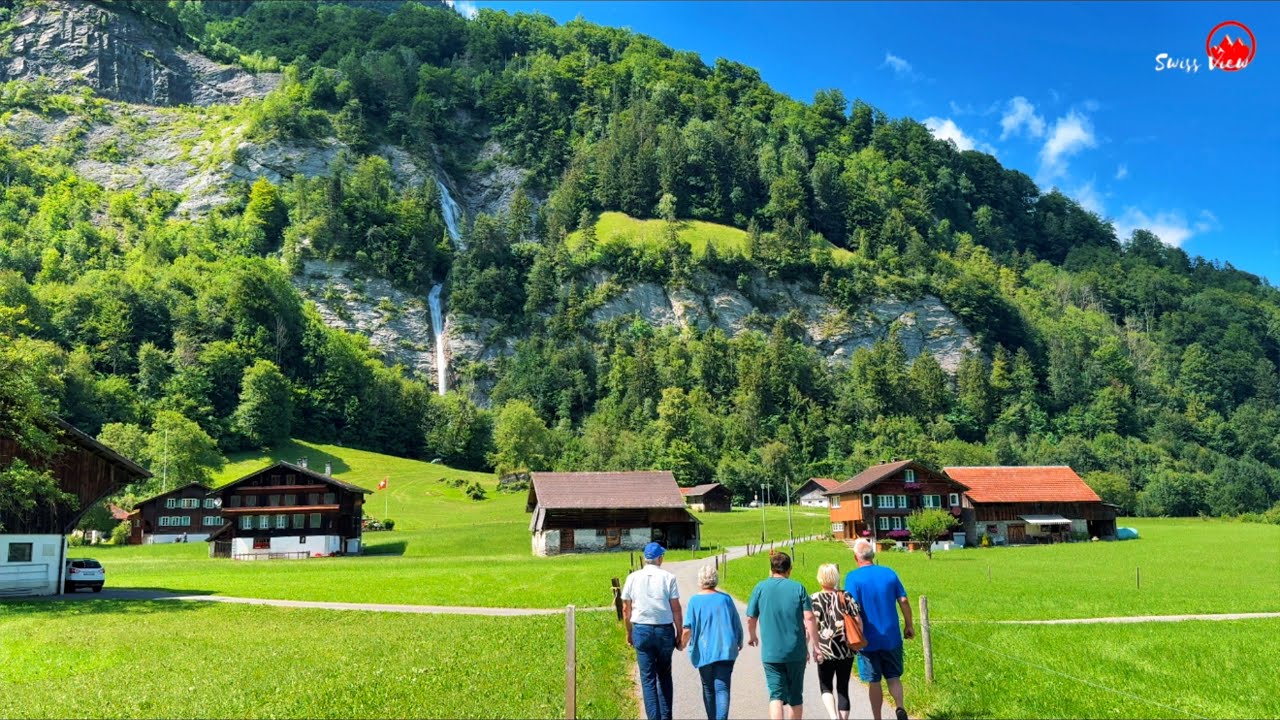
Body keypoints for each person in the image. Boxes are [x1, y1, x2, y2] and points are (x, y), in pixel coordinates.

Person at [746, 551, 820, 720]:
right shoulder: (798, 588)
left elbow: (751, 617)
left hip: (771, 653)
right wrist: (816, 646)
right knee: (795, 696)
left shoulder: (760, 588)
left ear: (771, 569)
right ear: (789, 569)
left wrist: (752, 636)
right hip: (796, 651)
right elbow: (809, 617)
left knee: (775, 695)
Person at [845, 538, 913, 720]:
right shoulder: (889, 573)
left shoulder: (852, 578)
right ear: (872, 555)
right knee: (893, 677)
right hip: (891, 637)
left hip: (867, 640)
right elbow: (904, 600)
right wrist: (909, 625)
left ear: (855, 557)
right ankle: (900, 707)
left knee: (874, 682)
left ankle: (877, 717)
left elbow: (851, 609)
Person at [622, 541, 683, 720]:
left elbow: (626, 609)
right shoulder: (668, 578)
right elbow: (676, 608)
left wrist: (629, 632)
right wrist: (679, 633)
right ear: (660, 558)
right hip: (664, 630)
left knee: (648, 679)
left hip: (641, 629)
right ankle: (666, 717)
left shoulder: (632, 578)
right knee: (664, 676)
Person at [681, 563, 742, 720]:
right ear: (715, 579)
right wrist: (739, 640)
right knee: (722, 688)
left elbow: (688, 628)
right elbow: (736, 622)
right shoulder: (726, 599)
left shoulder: (694, 601)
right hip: (726, 649)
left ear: (700, 580)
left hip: (704, 651)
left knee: (708, 688)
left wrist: (681, 643)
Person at [811, 563, 861, 720]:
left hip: (824, 650)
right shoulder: (846, 596)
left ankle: (833, 716)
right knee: (843, 687)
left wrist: (811, 646)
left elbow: (809, 625)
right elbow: (858, 620)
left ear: (820, 578)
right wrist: (858, 639)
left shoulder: (813, 599)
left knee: (825, 686)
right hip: (845, 649)